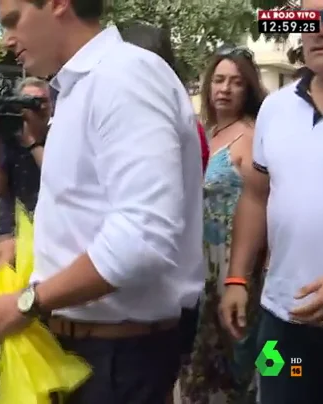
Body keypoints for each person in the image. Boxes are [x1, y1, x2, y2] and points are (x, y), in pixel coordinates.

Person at [0, 1, 204, 403]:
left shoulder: (123, 76)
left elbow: (142, 237)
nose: (6, 41)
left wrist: (27, 302)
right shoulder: (81, 87)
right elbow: (92, 208)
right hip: (93, 354)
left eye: (13, 21)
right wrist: (30, 248)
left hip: (117, 359)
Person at [221, 0, 323, 402]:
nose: (318, 29)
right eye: (309, 18)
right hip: (281, 321)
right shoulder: (275, 110)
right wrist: (237, 278)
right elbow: (256, 196)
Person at [120, 22, 207, 404]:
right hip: (163, 298)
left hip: (153, 300)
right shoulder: (174, 115)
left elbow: (143, 230)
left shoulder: (154, 119)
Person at [178, 46, 267, 404]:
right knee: (198, 368)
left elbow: (265, 203)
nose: (225, 89)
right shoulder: (205, 133)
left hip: (236, 268)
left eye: (235, 82)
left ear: (248, 89)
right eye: (218, 80)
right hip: (199, 267)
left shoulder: (252, 136)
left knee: (246, 363)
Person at [0, 77, 51, 244]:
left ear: (52, 105)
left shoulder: (59, 136)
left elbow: (58, 178)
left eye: (41, 101)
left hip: (48, 235)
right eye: (27, 102)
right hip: (9, 232)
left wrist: (31, 141)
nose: (37, 107)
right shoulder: (8, 137)